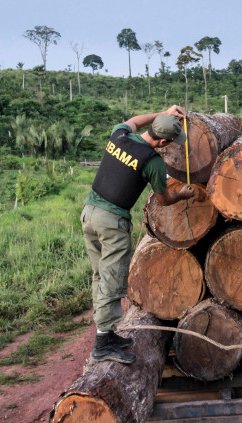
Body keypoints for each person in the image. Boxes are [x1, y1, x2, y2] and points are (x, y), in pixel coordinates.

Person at [81, 105, 195, 364]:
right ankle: (102, 344)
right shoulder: (152, 161)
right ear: (164, 141)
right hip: (112, 221)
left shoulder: (119, 135)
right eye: (171, 142)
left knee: (100, 274)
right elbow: (164, 200)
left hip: (89, 213)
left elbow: (133, 120)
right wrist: (183, 195)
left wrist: (161, 114)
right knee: (111, 279)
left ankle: (106, 333)